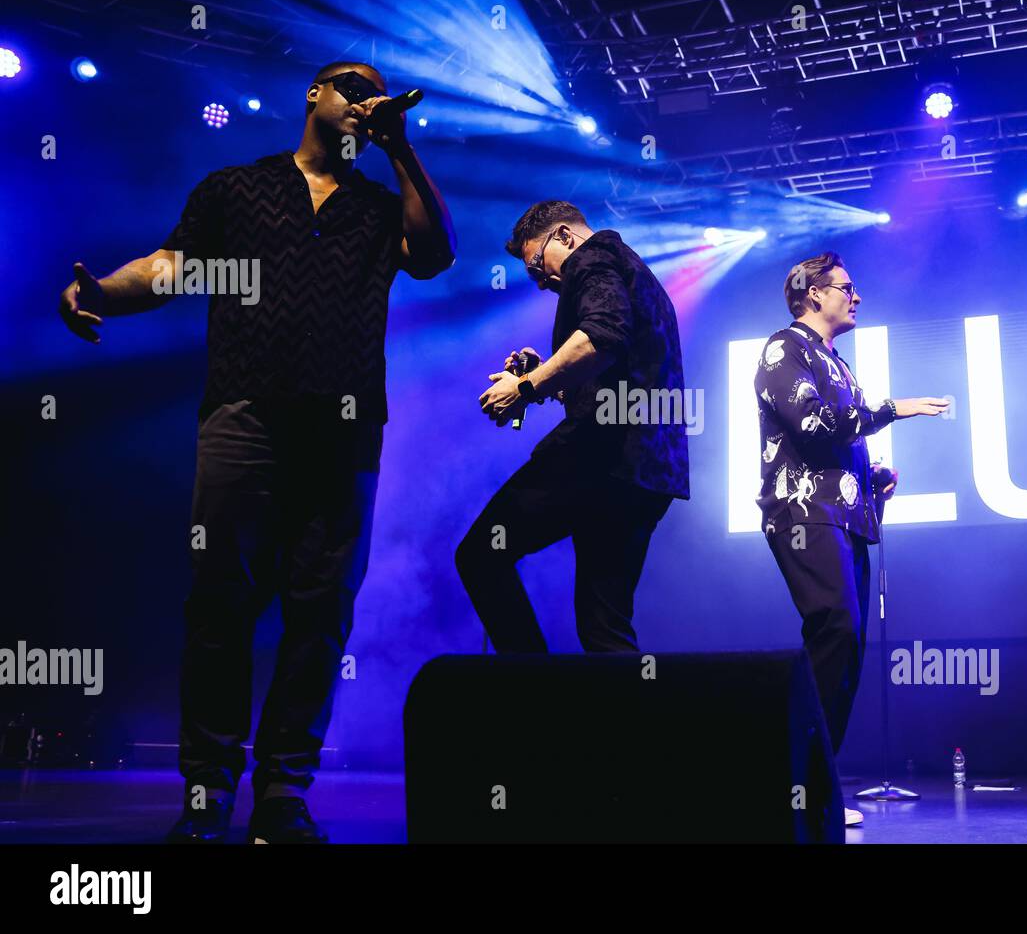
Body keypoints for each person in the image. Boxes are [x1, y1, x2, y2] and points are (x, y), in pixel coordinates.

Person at [57, 61, 456, 843]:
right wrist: (100, 290)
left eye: (376, 90)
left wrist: (398, 148)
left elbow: (435, 252)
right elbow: (169, 268)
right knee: (220, 607)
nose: (364, 97)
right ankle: (207, 789)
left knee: (321, 616)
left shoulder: (378, 207)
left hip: (344, 433)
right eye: (350, 83)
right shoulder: (234, 188)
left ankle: (282, 792)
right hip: (244, 417)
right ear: (314, 95)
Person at [753, 251, 948, 827]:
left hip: (845, 518)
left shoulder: (838, 363)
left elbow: (838, 440)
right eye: (846, 287)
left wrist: (872, 479)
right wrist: (891, 409)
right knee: (833, 628)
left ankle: (814, 781)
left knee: (848, 651)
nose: (856, 297)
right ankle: (788, 779)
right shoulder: (783, 349)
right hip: (802, 512)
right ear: (813, 294)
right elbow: (812, 426)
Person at [460, 201, 689, 652]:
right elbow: (614, 376)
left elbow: (603, 336)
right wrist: (545, 376)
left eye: (535, 265)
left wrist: (525, 387)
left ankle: (537, 699)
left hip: (602, 462)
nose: (540, 281)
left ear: (564, 236)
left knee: (480, 555)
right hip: (647, 475)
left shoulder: (594, 257)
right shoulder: (634, 271)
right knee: (605, 627)